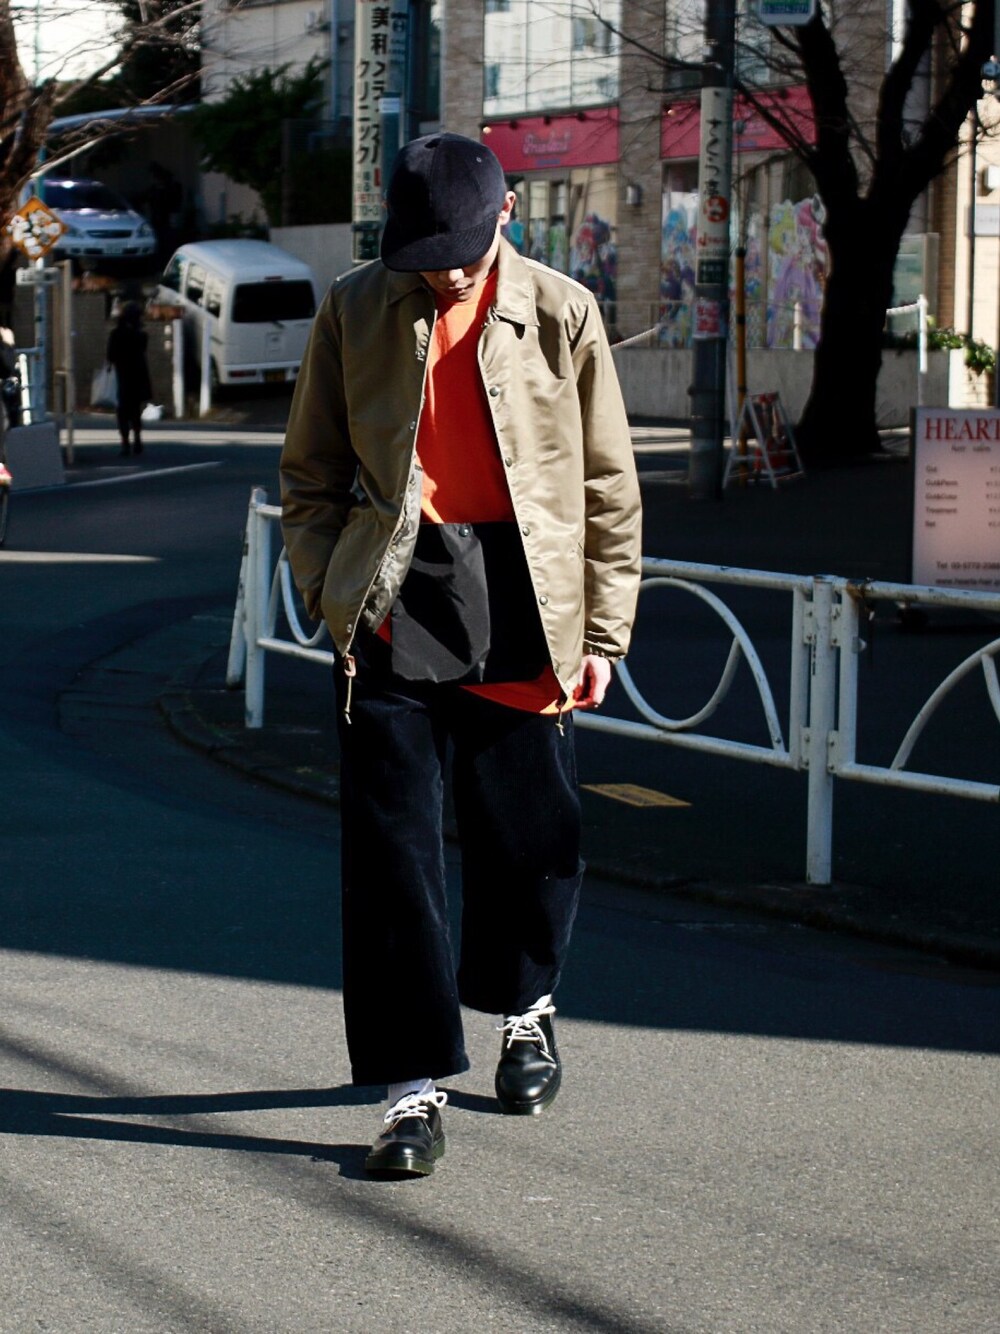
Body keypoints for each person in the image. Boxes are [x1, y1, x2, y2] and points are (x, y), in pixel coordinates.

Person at [280, 132, 642, 1177]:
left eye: (459, 254)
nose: (441, 274)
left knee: (529, 835)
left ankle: (526, 1007)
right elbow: (310, 471)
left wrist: (603, 631)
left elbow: (607, 487)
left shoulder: (563, 312)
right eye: (422, 255)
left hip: (527, 593)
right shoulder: (354, 308)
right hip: (395, 596)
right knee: (393, 858)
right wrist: (329, 592)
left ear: (506, 216)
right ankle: (411, 1087)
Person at [106, 301, 152, 457]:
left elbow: (110, 356)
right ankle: (137, 439)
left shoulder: (116, 334)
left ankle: (125, 442)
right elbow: (143, 350)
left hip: (122, 376)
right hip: (138, 376)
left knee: (123, 412)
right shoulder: (141, 335)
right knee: (135, 410)